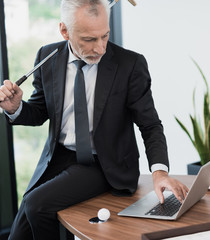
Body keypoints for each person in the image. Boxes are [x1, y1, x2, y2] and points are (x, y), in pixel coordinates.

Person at [0, 0, 188, 239]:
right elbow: (39, 112)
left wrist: (160, 172)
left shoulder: (130, 64)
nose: (100, 48)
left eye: (105, 36)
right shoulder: (47, 56)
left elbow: (150, 125)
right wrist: (15, 108)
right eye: (89, 40)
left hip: (103, 163)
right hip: (58, 157)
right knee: (20, 227)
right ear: (64, 31)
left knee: (37, 205)